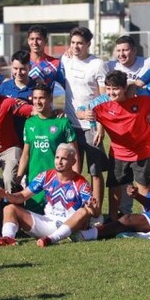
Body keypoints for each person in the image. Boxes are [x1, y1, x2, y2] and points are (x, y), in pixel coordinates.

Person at [78, 70, 150, 222]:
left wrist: (136, 86)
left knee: (143, 186)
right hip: (118, 152)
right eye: (108, 88)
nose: (111, 92)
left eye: (116, 89)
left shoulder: (140, 97)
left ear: (125, 87)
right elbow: (79, 110)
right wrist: (85, 115)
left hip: (144, 151)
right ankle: (113, 220)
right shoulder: (101, 102)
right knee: (115, 187)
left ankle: (148, 219)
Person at [0, 143, 100, 248]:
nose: (59, 162)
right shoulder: (46, 176)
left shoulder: (81, 183)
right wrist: (7, 195)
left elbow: (94, 213)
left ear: (73, 161)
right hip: (47, 222)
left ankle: (51, 239)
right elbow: (23, 196)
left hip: (69, 226)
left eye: (64, 159)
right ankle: (8, 238)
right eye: (57, 157)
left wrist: (92, 209)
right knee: (9, 209)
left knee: (83, 211)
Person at [62, 26, 108, 211]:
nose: (76, 46)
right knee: (72, 171)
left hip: (91, 126)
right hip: (70, 125)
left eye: (80, 43)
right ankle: (75, 209)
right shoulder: (65, 59)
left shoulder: (97, 64)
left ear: (88, 44)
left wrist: (100, 126)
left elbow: (105, 97)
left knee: (95, 171)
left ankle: (96, 211)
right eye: (73, 43)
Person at [18, 83, 78, 213]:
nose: (38, 102)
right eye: (35, 98)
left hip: (58, 179)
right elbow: (26, 153)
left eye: (42, 98)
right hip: (34, 178)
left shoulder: (63, 123)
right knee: (33, 219)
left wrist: (76, 178)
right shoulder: (29, 123)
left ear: (50, 98)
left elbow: (75, 154)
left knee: (57, 216)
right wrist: (19, 176)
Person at [0, 51, 37, 144]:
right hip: (10, 137)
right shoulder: (4, 87)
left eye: (22, 69)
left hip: (32, 136)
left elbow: (45, 110)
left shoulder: (37, 87)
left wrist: (27, 107)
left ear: (30, 68)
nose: (18, 72)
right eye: (15, 68)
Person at [27, 24, 65, 91]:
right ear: (28, 41)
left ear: (46, 41)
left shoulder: (56, 63)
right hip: (26, 101)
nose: (35, 43)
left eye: (38, 39)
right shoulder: (22, 62)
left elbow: (60, 90)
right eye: (32, 39)